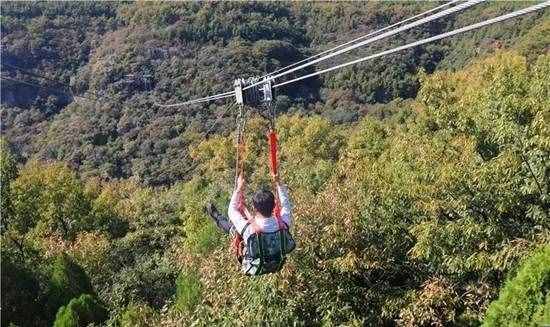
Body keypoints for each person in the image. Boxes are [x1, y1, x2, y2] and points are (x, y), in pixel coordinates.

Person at [204, 173, 294, 275]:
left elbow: (231, 211)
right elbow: (286, 204)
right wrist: (278, 183)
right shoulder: (283, 224)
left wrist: (239, 188)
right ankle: (216, 216)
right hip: (276, 263)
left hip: (254, 266)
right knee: (238, 228)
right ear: (274, 206)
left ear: (255, 208)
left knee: (232, 229)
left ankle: (216, 216)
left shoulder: (249, 229)